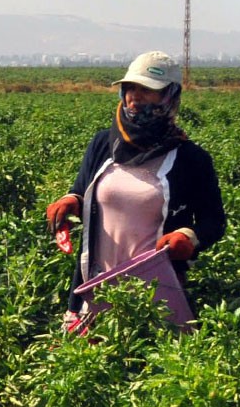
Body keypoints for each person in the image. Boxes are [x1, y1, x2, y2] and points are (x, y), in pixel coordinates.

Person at [45, 51, 226, 327]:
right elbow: (81, 190)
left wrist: (190, 237)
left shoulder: (191, 159)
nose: (134, 97)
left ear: (170, 96)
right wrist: (70, 201)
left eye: (147, 90)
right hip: (96, 284)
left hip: (157, 292)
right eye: (130, 88)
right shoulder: (103, 144)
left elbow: (214, 221)